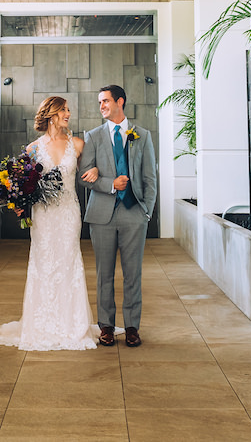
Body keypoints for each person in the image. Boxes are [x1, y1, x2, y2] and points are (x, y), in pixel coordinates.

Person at [0, 96, 101, 351]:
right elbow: (20, 183)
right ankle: (42, 324)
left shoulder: (78, 144)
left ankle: (73, 325)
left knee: (69, 262)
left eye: (68, 109)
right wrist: (18, 202)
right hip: (43, 215)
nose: (68, 113)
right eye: (63, 110)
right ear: (51, 114)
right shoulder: (33, 149)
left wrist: (97, 171)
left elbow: (89, 173)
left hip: (69, 213)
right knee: (44, 263)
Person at [78, 84, 157, 347]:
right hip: (102, 215)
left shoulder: (142, 136)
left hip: (134, 214)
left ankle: (133, 327)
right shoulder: (93, 136)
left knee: (133, 273)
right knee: (105, 274)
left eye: (105, 101)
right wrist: (111, 183)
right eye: (99, 102)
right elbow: (86, 176)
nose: (101, 106)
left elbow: (149, 178)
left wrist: (146, 210)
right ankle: (107, 327)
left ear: (120, 101)